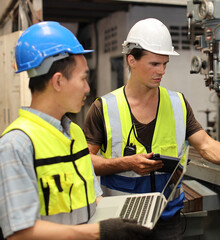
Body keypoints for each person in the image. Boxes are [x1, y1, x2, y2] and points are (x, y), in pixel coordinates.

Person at [83, 18, 220, 240]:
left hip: (167, 219)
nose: (161, 71)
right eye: (154, 64)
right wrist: (125, 163)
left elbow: (205, 144)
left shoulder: (177, 103)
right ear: (132, 60)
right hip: (122, 219)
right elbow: (85, 163)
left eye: (165, 64)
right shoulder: (103, 107)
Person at [0, 21, 151, 240]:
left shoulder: (76, 134)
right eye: (83, 78)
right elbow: (19, 233)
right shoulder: (17, 145)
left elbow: (92, 199)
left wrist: (121, 217)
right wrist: (98, 232)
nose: (88, 88)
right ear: (58, 81)